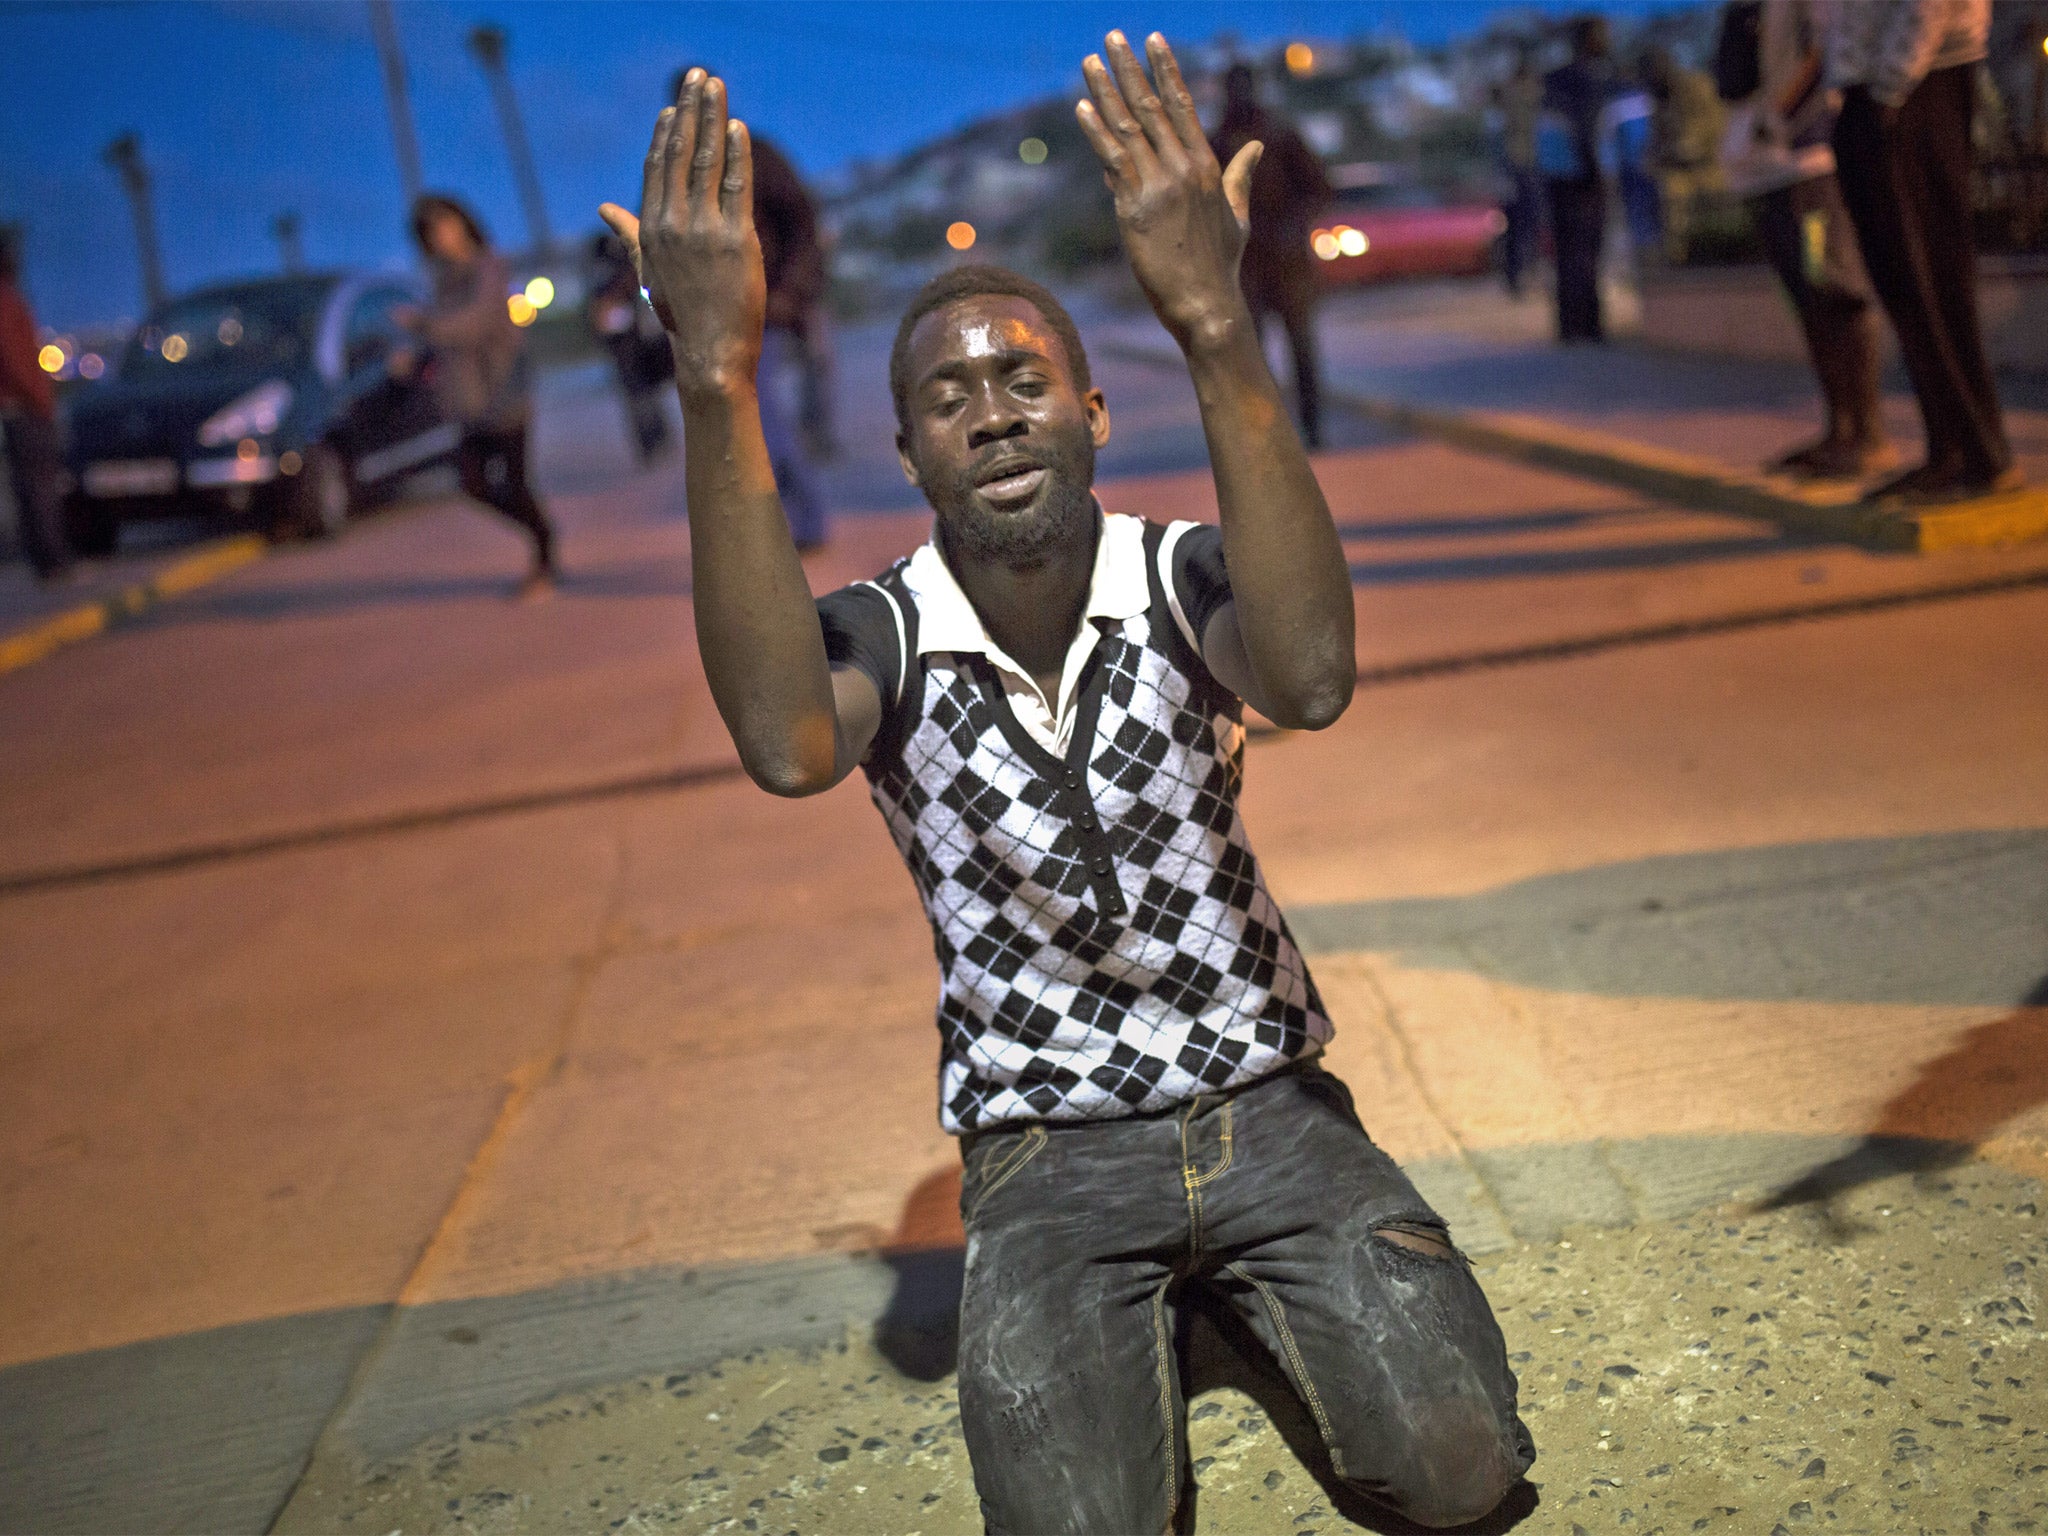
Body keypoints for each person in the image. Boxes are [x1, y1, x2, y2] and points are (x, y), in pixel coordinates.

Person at [600, 37, 1533, 1535]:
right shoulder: (881, 634)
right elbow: (786, 745)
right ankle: (1152, 1323)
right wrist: (716, 380)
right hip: (1047, 1153)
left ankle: (1229, 1306)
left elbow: (1307, 678)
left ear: (1094, 412)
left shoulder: (1179, 575)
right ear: (909, 452)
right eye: (948, 396)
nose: (991, 407)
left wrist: (1218, 323)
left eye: (1024, 377)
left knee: (1457, 1472)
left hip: (1269, 1103)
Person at [1828, 0, 2020, 505]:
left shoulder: (1901, 85)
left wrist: (1890, 87)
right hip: (1890, 84)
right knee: (1907, 282)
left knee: (1928, 277)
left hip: (1916, 82)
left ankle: (1979, 453)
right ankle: (1953, 450)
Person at [1717, 0, 1896, 478]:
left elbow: (1826, 49)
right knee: (1808, 298)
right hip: (1767, 170)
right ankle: (1839, 428)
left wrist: (1783, 115)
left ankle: (1868, 434)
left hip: (1810, 164)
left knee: (1835, 288)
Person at [672, 68, 832, 549]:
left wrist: (789, 294)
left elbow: (802, 225)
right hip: (713, 320)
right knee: (735, 431)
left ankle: (805, 524)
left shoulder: (755, 155)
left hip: (769, 310)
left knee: (768, 424)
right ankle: (782, 522)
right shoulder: (679, 176)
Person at [398, 194, 558, 597]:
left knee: (517, 485)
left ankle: (544, 559)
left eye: (447, 225)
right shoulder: (443, 281)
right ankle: (542, 534)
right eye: (432, 232)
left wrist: (423, 325)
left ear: (465, 223)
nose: (442, 237)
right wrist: (414, 358)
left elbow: (474, 323)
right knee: (474, 485)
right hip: (471, 403)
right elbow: (446, 340)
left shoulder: (489, 267)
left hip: (504, 394)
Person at [1211, 61, 1333, 448]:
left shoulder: (1279, 136)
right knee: (1250, 357)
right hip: (1245, 263)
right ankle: (1266, 434)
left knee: (1302, 350)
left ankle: (1312, 428)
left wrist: (1293, 224)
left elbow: (1318, 187)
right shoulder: (1216, 143)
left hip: (1286, 258)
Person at [1539, 15, 1621, 341]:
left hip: (1556, 176)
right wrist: (1597, 172)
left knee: (1567, 252)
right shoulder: (1588, 78)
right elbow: (1586, 129)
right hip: (1581, 177)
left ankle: (1569, 326)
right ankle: (1589, 326)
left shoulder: (1555, 79)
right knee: (1586, 251)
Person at [0, 229, 74, 582]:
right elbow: (17, 361)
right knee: (39, 487)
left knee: (31, 487)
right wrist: (41, 401)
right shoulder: (7, 301)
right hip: (24, 410)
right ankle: (53, 562)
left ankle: (48, 562)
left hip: (18, 409)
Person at [587, 228, 673, 463]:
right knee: (639, 397)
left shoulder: (614, 275)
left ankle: (656, 440)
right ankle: (653, 442)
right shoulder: (607, 277)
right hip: (625, 345)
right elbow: (599, 316)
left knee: (643, 396)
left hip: (635, 342)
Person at [1643, 46, 1729, 263]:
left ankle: (1716, 249)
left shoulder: (1696, 87)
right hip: (1681, 167)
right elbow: (1656, 140)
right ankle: (1679, 257)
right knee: (1672, 193)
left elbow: (1713, 125)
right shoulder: (1661, 98)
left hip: (1713, 161)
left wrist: (1685, 147)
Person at [1490, 45, 1547, 297]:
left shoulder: (1509, 98)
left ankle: (1520, 276)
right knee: (1526, 225)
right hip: (1525, 169)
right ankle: (1522, 274)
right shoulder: (1532, 96)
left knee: (1519, 227)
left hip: (1519, 169)